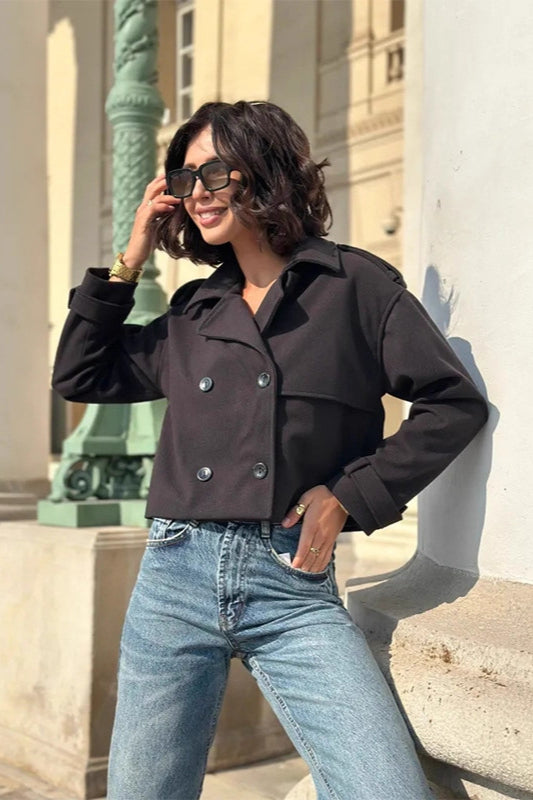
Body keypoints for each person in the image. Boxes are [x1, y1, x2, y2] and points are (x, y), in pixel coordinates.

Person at [52, 100, 488, 800]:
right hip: (173, 579)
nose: (197, 193)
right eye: (183, 179)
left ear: (264, 169)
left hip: (291, 585)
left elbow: (452, 402)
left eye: (213, 173)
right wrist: (130, 259)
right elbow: (81, 374)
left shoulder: (353, 286)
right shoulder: (195, 311)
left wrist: (348, 496)